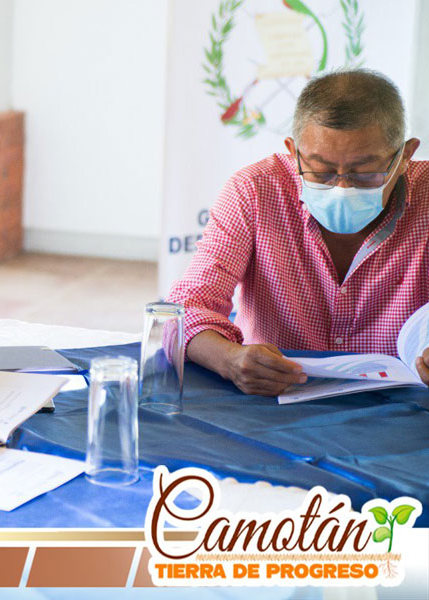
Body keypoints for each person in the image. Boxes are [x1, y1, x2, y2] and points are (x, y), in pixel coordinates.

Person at [167, 69, 429, 397]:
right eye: (320, 171)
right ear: (293, 153)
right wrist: (230, 359)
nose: (342, 188)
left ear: (405, 156)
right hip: (273, 397)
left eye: (365, 173)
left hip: (401, 405)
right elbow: (184, 310)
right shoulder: (255, 191)